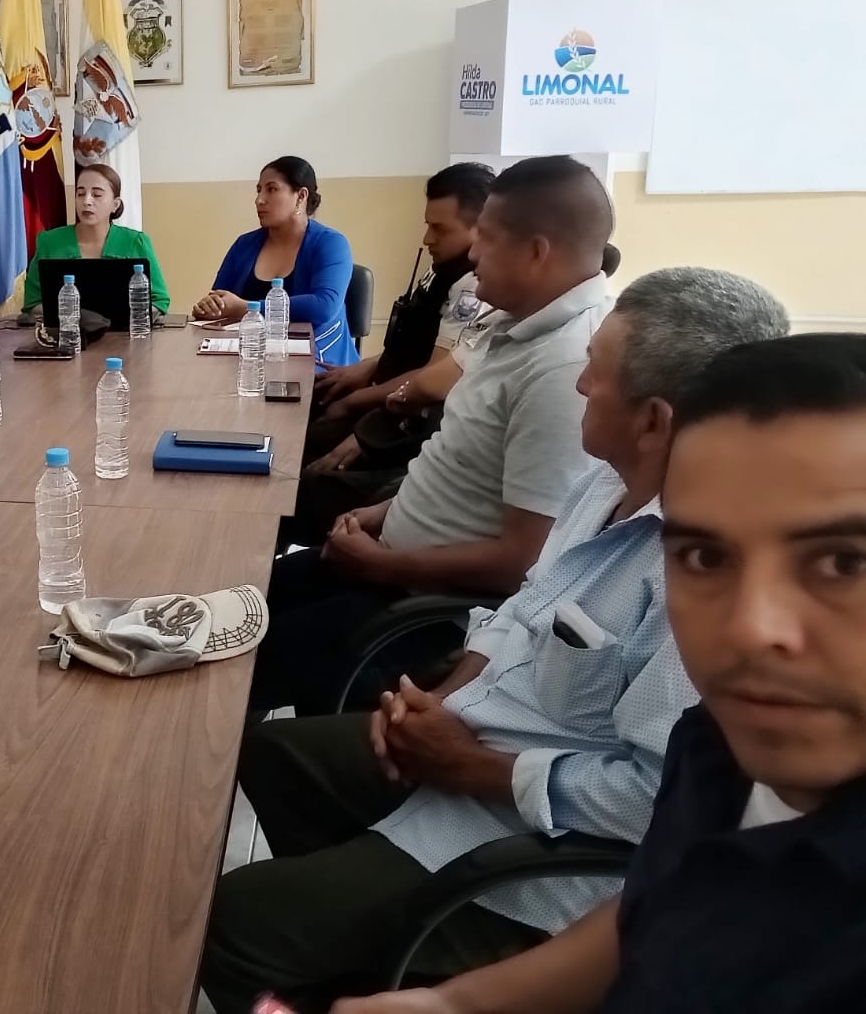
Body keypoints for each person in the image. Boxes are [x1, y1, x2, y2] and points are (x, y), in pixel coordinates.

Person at [201, 269, 789, 1014]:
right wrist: (442, 704)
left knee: (235, 923)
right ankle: (348, 964)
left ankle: (364, 944)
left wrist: (473, 767)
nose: (580, 385)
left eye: (596, 373)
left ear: (653, 420)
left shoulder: (700, 582)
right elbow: (522, 608)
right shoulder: (604, 485)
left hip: (537, 855)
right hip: (480, 741)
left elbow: (655, 800)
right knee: (280, 757)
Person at [331, 332, 866, 1014]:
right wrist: (457, 1004)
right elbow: (656, 906)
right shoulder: (716, 749)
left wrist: (474, 766)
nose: (748, 629)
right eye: (704, 557)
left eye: (845, 562)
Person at [258, 156, 615, 715]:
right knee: (242, 604)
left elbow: (525, 561)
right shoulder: (512, 324)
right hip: (387, 562)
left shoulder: (563, 369)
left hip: (423, 606)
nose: (472, 254)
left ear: (536, 252)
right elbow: (460, 461)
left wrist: (379, 565)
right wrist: (383, 512)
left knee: (247, 660)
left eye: (487, 239)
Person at [309, 163, 495, 463]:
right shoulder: (443, 270)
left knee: (305, 448)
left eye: (440, 229)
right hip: (387, 391)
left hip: (405, 416)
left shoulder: (471, 287)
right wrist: (368, 366)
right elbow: (414, 344)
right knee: (305, 402)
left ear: (481, 229)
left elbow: (431, 377)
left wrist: (353, 402)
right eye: (428, 225)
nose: (427, 239)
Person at [193, 156, 358, 366]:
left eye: (271, 189)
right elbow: (221, 300)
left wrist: (246, 308)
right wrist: (210, 309)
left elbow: (324, 306)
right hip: (250, 359)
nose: (259, 200)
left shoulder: (330, 243)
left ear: (301, 196)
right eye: (258, 190)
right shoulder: (244, 245)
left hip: (318, 365)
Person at [21, 162, 170, 315]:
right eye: (80, 194)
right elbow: (32, 303)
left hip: (126, 329)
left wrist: (129, 316)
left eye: (97, 195)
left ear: (115, 204)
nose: (86, 201)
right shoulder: (50, 242)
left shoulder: (135, 242)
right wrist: (73, 316)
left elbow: (159, 300)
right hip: (65, 329)